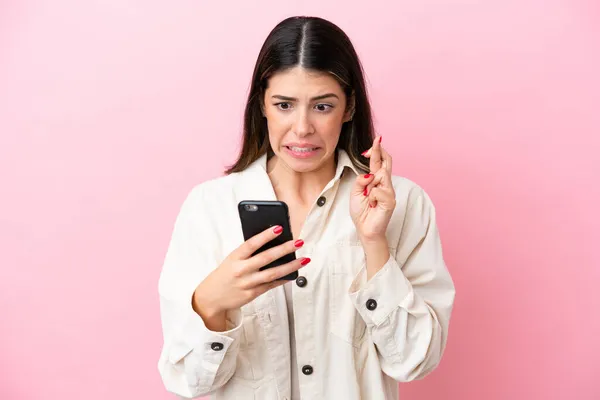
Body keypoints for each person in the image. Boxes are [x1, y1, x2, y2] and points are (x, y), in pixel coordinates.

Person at [157, 15, 455, 400]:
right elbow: (190, 382)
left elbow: (414, 361)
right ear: (261, 105)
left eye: (322, 106)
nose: (301, 128)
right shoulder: (209, 207)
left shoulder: (404, 204)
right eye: (284, 104)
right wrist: (213, 302)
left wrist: (374, 242)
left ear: (348, 108)